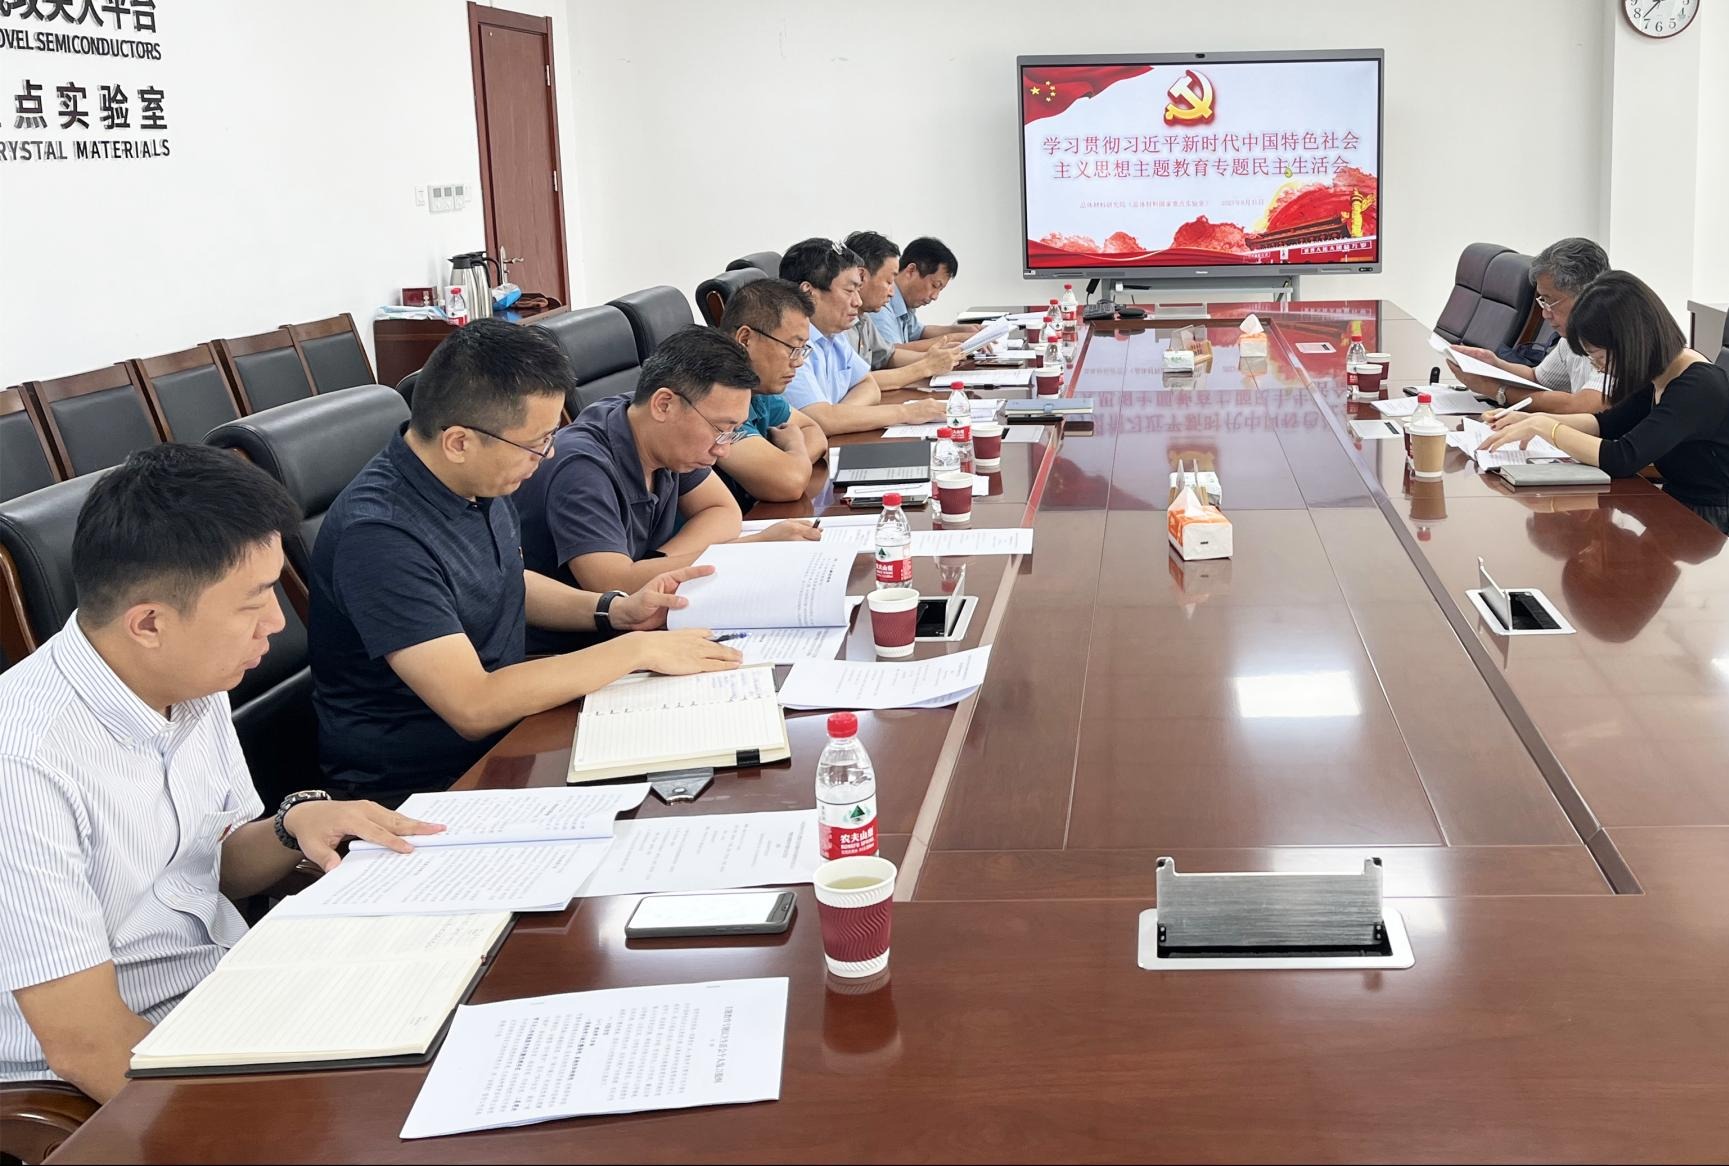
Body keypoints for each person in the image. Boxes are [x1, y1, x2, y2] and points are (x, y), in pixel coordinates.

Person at [0, 445, 443, 1101]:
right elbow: (86, 1045)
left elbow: (214, 866)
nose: (278, 622)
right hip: (125, 1065)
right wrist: (251, 1126)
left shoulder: (190, 678)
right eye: (253, 602)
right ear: (149, 623)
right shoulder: (22, 763)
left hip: (231, 994)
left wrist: (294, 824)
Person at [311, 320, 740, 804]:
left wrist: (614, 610)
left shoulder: (476, 478)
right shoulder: (380, 535)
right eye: (535, 443)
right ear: (459, 442)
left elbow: (506, 581)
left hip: (514, 733)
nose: (548, 454)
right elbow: (472, 705)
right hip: (426, 785)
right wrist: (634, 650)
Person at [515, 325, 820, 608]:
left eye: (733, 432)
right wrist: (750, 549)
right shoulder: (581, 465)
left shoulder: (659, 431)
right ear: (664, 404)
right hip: (578, 639)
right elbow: (613, 585)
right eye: (720, 429)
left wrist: (657, 562)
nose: (723, 449)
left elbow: (722, 510)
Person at [1483, 270, 1729, 532]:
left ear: (1631, 342)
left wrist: (1547, 429)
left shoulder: (1697, 387)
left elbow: (1622, 457)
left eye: (1599, 357)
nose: (1598, 367)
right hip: (1674, 507)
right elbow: (1606, 424)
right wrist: (1533, 420)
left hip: (1711, 526)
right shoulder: (1659, 372)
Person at [779, 237, 948, 436]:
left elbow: (869, 385)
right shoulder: (789, 346)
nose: (858, 302)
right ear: (808, 293)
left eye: (858, 290)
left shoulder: (834, 334)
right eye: (849, 291)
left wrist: (840, 415)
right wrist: (906, 412)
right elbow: (820, 421)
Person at [1451, 237, 1609, 413]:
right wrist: (1494, 364)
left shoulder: (1617, 337)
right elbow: (1536, 378)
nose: (1545, 314)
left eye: (1550, 301)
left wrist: (1497, 391)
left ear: (1585, 295)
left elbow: (1581, 406)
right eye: (1543, 302)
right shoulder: (1573, 336)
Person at [717, 278, 831, 507]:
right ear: (745, 339)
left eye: (802, 350)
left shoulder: (758, 391)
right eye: (792, 348)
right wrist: (794, 447)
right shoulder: (716, 397)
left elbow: (814, 431)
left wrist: (792, 462)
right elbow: (790, 482)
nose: (798, 362)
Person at [844, 230, 964, 390]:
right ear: (861, 277)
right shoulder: (839, 325)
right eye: (888, 282)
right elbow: (855, 382)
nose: (891, 292)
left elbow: (888, 355)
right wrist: (925, 366)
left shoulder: (863, 318)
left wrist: (931, 358)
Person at [869, 235, 981, 354]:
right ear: (911, 271)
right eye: (934, 285)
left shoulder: (905, 301)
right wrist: (954, 338)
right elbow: (892, 354)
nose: (935, 296)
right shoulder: (880, 305)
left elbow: (919, 332)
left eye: (940, 290)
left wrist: (963, 330)